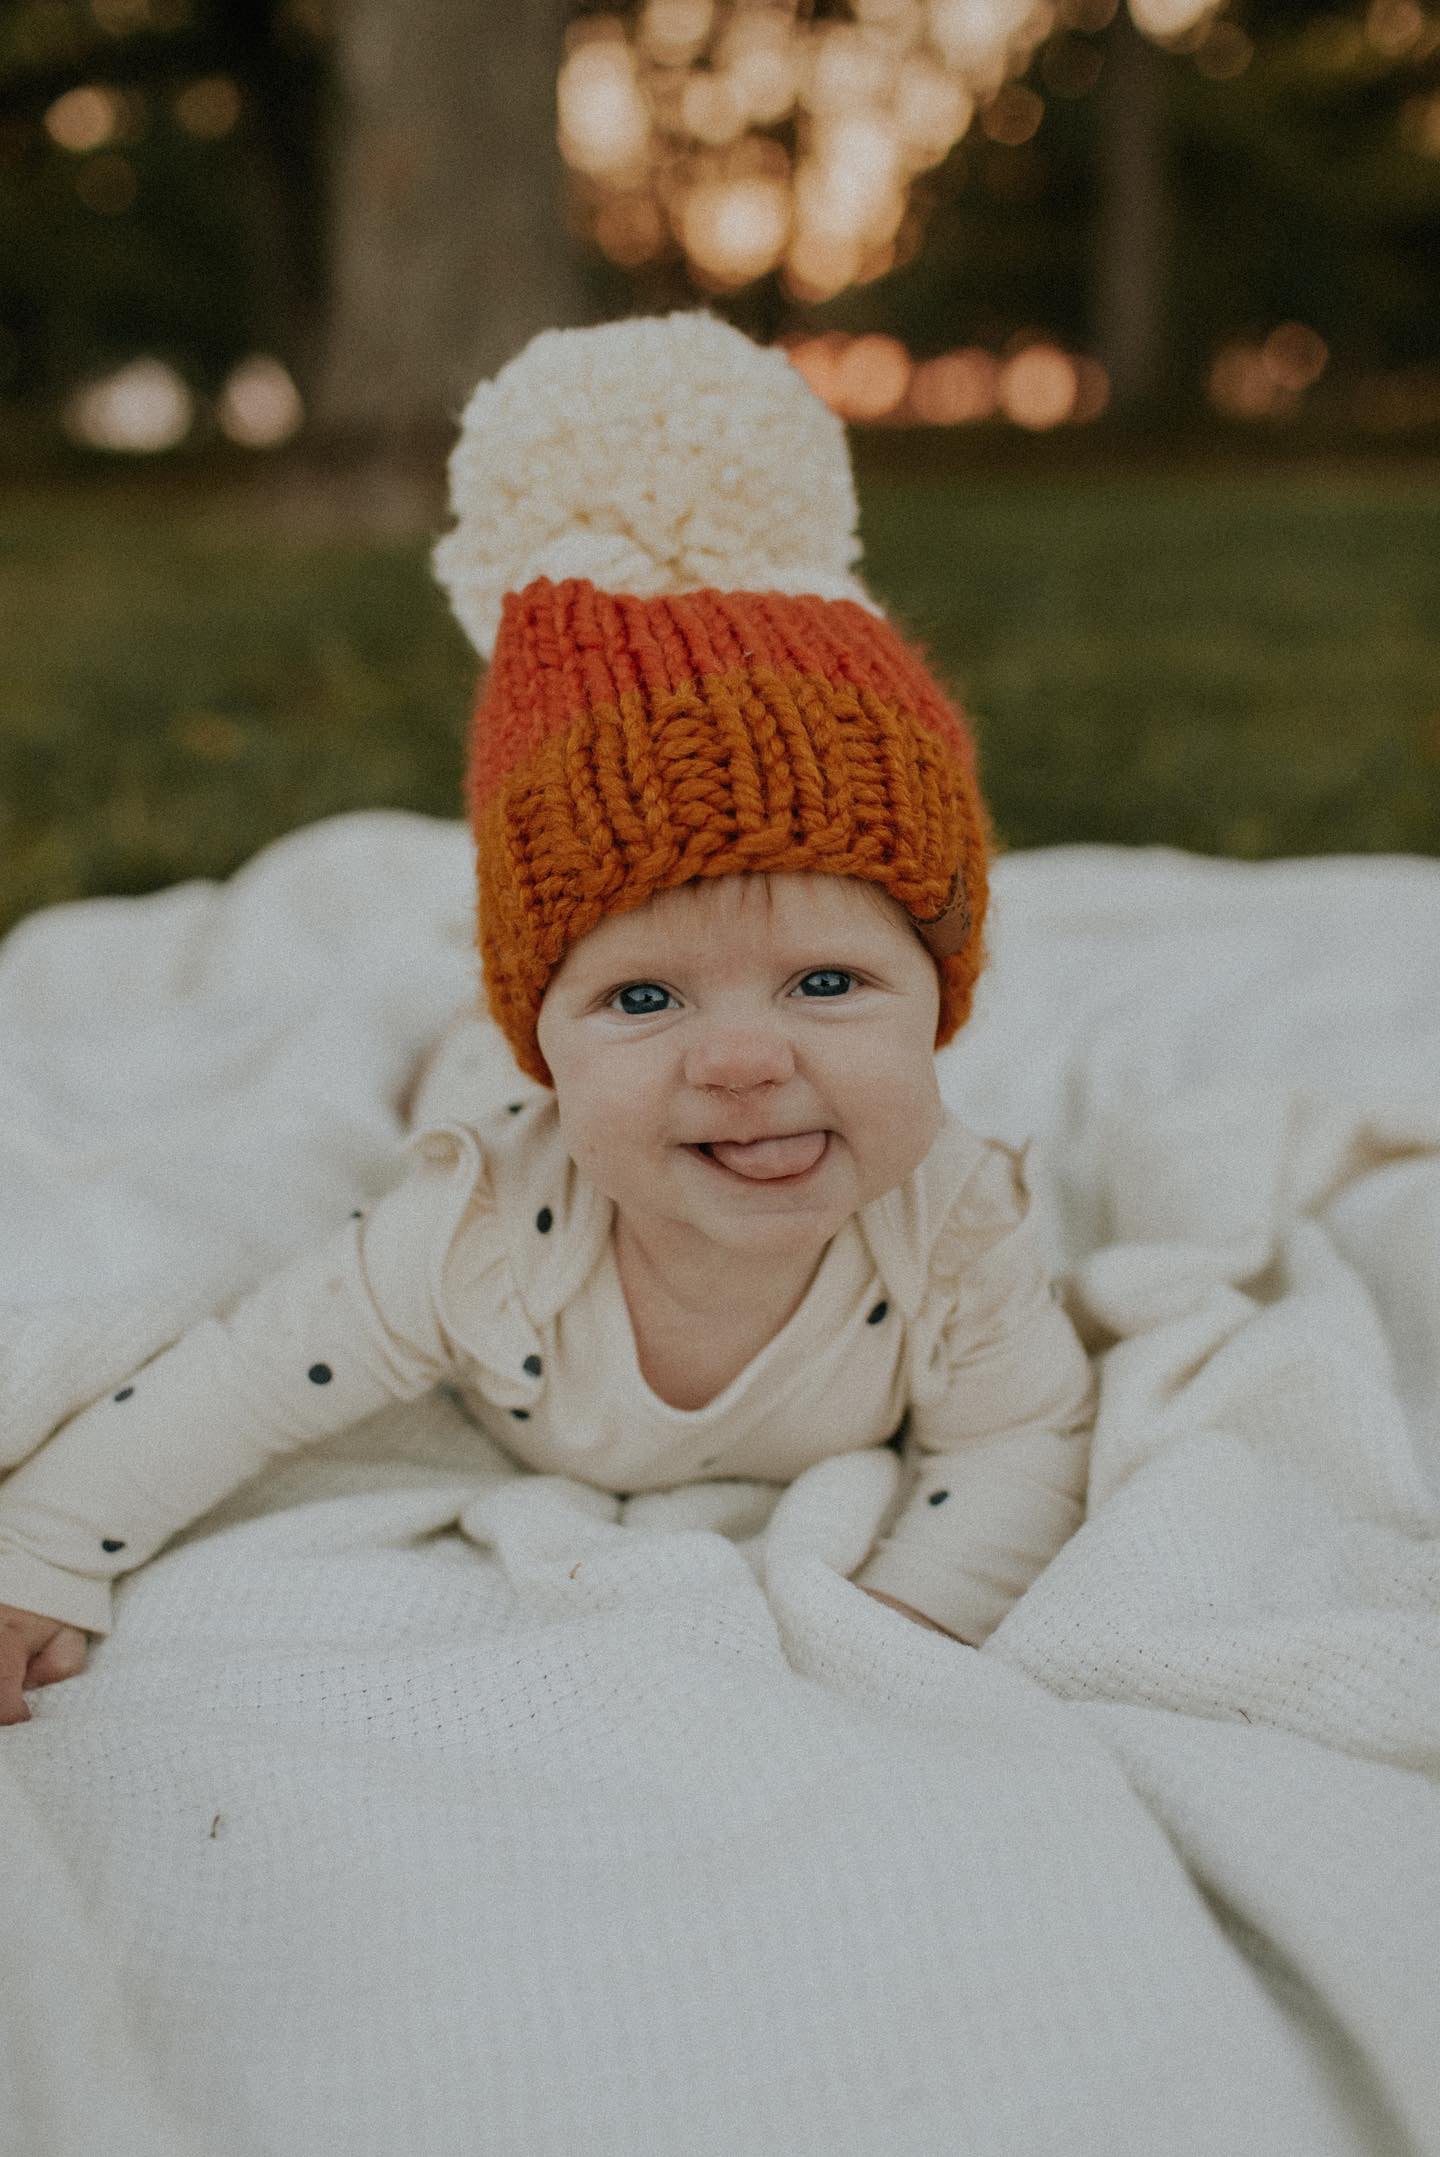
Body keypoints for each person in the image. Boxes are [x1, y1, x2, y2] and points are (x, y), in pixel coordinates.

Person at [0, 311, 1097, 1726]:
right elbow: (245, 1380)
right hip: (486, 1089)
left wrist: (900, 1629)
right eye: (642, 994)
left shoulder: (955, 1226)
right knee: (439, 1085)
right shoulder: (475, 1237)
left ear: (941, 1001)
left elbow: (1020, 1439)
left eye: (828, 984)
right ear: (550, 1029)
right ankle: (465, 1036)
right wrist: (44, 1552)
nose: (747, 1060)